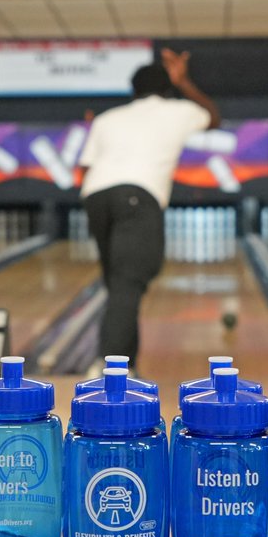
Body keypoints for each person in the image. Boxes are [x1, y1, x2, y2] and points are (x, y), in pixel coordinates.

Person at [79, 49, 220, 370]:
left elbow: (85, 167)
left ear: (133, 90)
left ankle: (128, 364)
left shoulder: (106, 118)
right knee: (128, 284)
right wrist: (185, 82)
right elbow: (213, 116)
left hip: (96, 197)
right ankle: (107, 367)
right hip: (138, 195)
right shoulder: (178, 110)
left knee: (119, 286)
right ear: (167, 90)